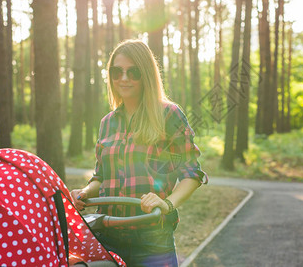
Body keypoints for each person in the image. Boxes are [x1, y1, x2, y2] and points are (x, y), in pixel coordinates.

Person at [70, 39, 208, 267]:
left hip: (152, 239)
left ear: (145, 74)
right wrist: (83, 193)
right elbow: (100, 177)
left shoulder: (169, 115)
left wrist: (167, 204)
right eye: (117, 72)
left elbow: (191, 174)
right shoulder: (107, 122)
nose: (124, 78)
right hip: (107, 237)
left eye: (133, 72)